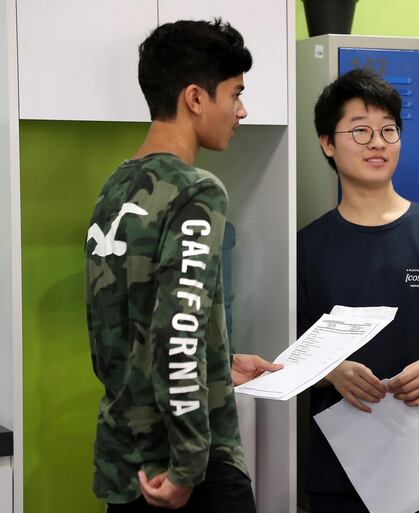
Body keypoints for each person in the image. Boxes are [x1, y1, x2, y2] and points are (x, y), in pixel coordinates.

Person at [85, 19, 282, 512]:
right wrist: (189, 466)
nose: (241, 110)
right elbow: (177, 333)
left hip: (126, 460)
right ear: (195, 98)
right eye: (234, 94)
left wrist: (223, 364)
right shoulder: (197, 190)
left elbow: (130, 333)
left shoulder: (115, 187)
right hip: (190, 469)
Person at [297, 69, 419, 512]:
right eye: (361, 130)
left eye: (388, 130)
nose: (377, 142)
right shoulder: (306, 248)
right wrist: (332, 370)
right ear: (328, 143)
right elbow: (290, 348)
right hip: (343, 463)